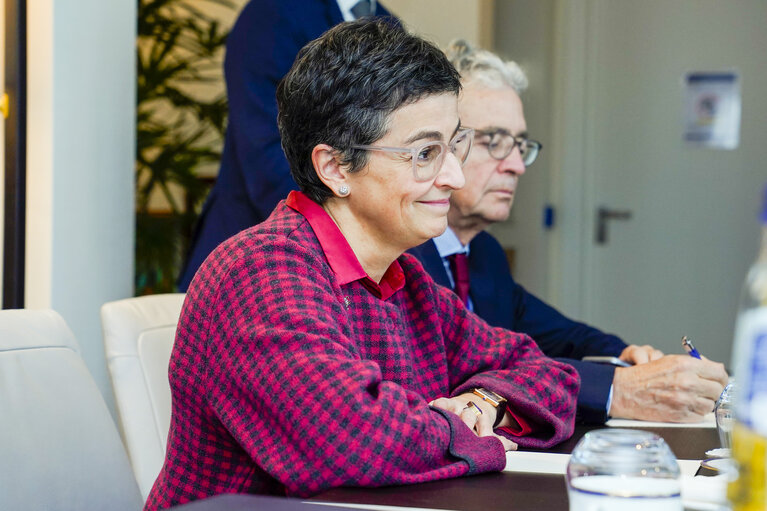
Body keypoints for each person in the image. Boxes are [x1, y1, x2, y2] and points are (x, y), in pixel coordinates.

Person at [145, 20, 578, 509]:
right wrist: (459, 429)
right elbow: (353, 441)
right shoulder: (259, 274)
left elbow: (544, 371)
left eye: (454, 146)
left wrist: (486, 404)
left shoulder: (403, 276)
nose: (453, 176)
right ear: (335, 168)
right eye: (424, 153)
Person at [410, 40, 728, 425]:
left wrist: (628, 355)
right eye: (493, 141)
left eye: (521, 145)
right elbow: (458, 377)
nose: (516, 165)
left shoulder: (483, 252)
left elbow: (557, 335)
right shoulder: (401, 252)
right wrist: (619, 388)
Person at [177, 0, 396, 290]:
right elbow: (265, 150)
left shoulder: (388, 25)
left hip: (361, 260)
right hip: (258, 248)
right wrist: (345, 236)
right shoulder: (273, 12)